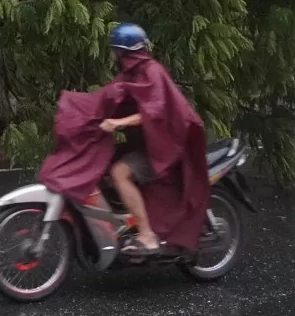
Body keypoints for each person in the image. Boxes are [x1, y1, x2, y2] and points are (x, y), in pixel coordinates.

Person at [37, 22, 210, 257]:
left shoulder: (152, 72)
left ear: (124, 51)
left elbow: (155, 113)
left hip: (165, 149)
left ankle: (147, 236)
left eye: (116, 50)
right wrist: (78, 112)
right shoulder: (131, 74)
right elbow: (106, 98)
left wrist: (118, 123)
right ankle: (121, 225)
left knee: (119, 172)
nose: (114, 55)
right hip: (144, 145)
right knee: (102, 162)